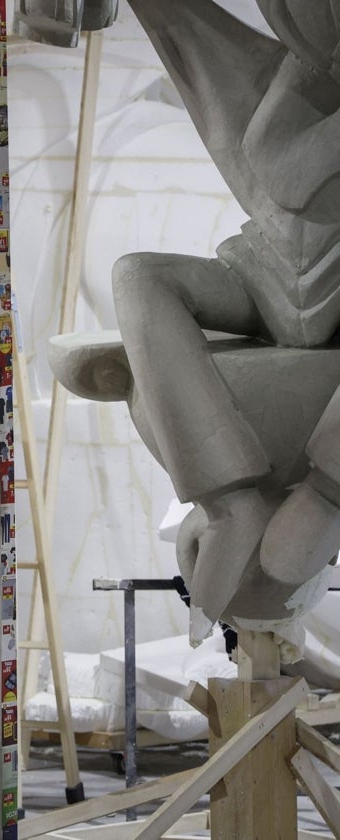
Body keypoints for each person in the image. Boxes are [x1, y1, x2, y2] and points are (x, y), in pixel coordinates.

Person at [113, 0, 340, 635]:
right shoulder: (304, 70)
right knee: (138, 275)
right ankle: (230, 500)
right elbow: (283, 170)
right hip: (267, 273)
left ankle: (327, 494)